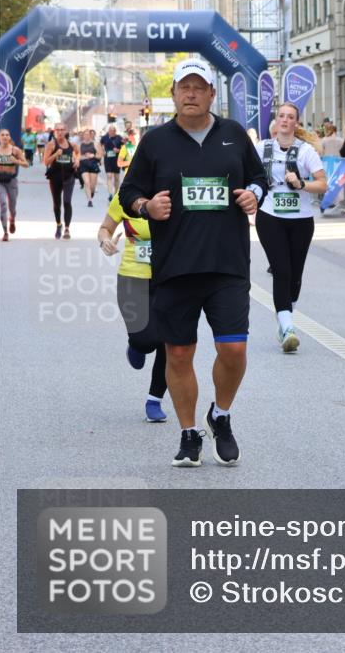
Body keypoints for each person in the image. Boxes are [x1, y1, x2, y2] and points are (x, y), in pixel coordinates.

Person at [118, 58, 268, 467]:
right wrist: (146, 206)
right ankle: (189, 434)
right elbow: (129, 191)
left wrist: (253, 194)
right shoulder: (155, 142)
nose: (191, 94)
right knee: (180, 354)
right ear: (173, 93)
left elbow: (260, 178)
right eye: (184, 87)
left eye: (199, 87)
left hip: (227, 264)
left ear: (211, 94)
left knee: (233, 348)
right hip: (175, 266)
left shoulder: (234, 135)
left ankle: (221, 414)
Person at [255, 102, 328, 352]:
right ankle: (287, 328)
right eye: (281, 116)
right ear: (276, 121)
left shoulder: (306, 151)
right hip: (270, 215)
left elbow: (322, 184)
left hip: (301, 219)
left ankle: (285, 318)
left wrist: (301, 184)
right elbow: (247, 173)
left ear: (296, 123)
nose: (285, 120)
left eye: (290, 117)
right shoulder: (262, 148)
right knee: (281, 270)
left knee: (295, 275)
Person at [97, 194, 169, 422]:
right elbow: (105, 228)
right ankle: (136, 345)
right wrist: (105, 241)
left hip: (169, 277)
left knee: (171, 341)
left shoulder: (172, 193)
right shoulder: (125, 195)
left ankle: (154, 400)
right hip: (132, 277)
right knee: (146, 341)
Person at [43, 121, 79, 240]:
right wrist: (55, 155)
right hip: (55, 177)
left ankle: (67, 228)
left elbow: (78, 153)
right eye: (57, 130)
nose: (60, 132)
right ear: (54, 132)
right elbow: (46, 162)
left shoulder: (72, 145)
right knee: (57, 203)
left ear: (66, 131)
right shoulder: (51, 145)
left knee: (67, 202)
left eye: (62, 130)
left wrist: (77, 161)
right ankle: (59, 224)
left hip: (69, 176)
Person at [0, 129, 28, 241]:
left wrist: (16, 161)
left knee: (12, 207)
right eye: (2, 135)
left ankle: (12, 219)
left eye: (7, 135)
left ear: (9, 137)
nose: (5, 137)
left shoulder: (15, 150)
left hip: (11, 181)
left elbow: (26, 164)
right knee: (3, 204)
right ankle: (5, 232)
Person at [78, 128, 102, 208]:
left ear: (91, 135)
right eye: (85, 134)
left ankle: (91, 192)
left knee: (92, 186)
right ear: (83, 135)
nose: (86, 136)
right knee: (87, 182)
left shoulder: (95, 144)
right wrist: (84, 156)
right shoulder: (80, 145)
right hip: (83, 165)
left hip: (93, 164)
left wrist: (93, 155)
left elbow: (100, 155)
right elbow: (77, 157)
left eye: (88, 134)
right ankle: (89, 200)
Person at [101, 124, 125, 203]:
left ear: (115, 131)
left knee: (116, 177)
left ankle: (115, 194)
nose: (111, 132)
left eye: (113, 130)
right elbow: (101, 145)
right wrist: (103, 151)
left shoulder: (119, 138)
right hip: (107, 159)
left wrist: (118, 150)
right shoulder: (104, 137)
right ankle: (110, 194)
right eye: (110, 130)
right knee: (109, 176)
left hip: (116, 159)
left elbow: (124, 147)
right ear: (108, 131)